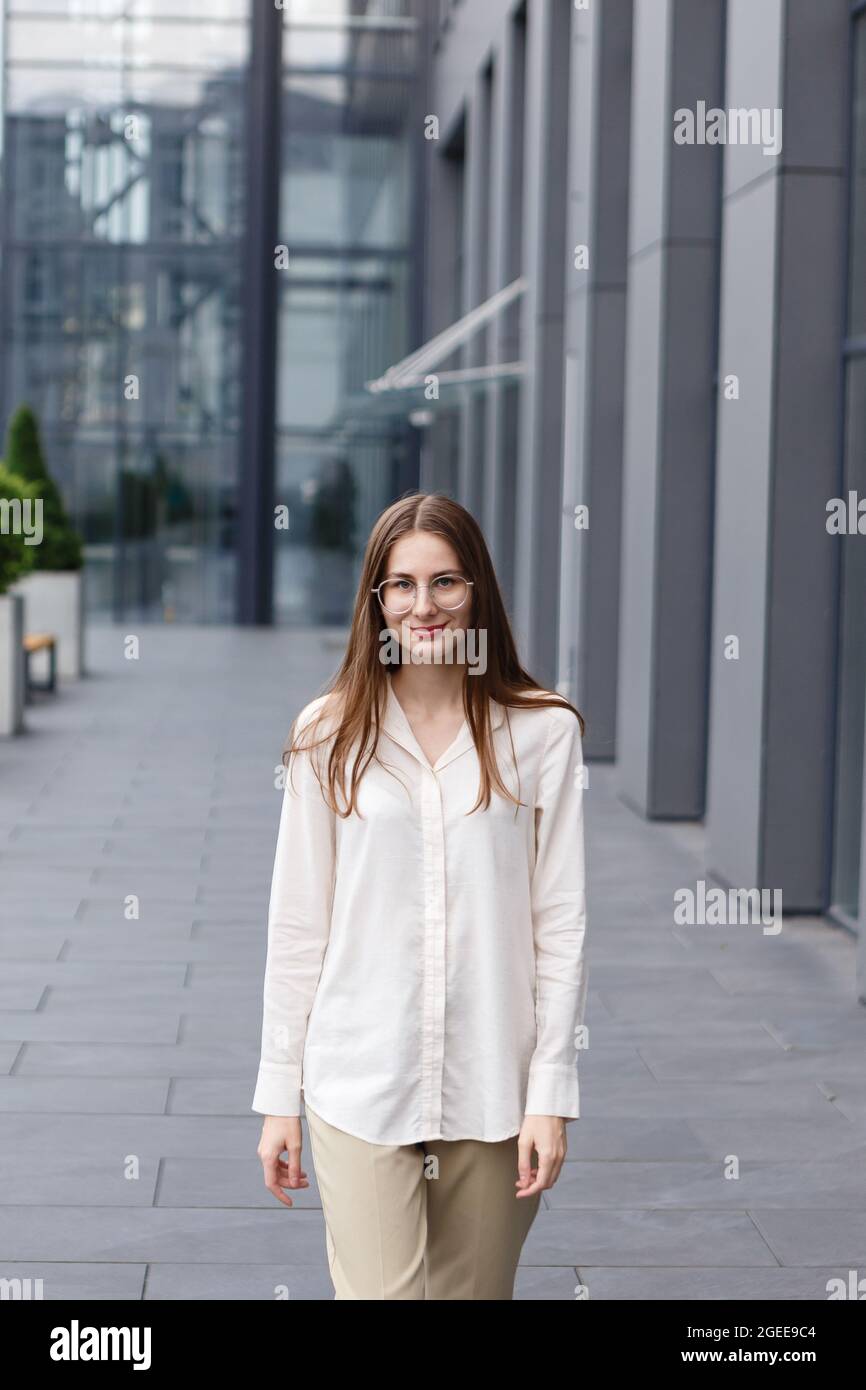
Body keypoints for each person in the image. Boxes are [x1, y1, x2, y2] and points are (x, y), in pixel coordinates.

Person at [253, 491, 588, 1300]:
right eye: (400, 585)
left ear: (478, 591)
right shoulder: (325, 734)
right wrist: (278, 1097)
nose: (423, 605)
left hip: (492, 1085)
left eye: (445, 582)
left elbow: (562, 923)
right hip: (358, 1080)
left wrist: (551, 1094)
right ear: (376, 601)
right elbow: (299, 922)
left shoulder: (543, 732)